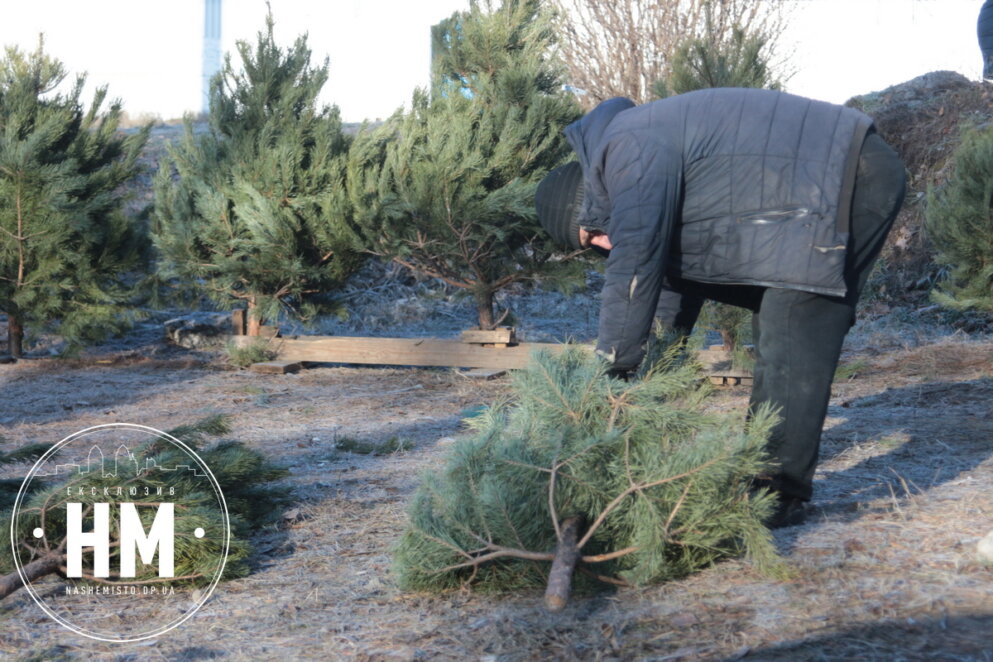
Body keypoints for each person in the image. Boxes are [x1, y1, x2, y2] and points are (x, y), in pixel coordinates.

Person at [535, 88, 906, 528]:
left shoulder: (626, 149)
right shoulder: (630, 146)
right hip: (823, 182)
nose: (604, 245)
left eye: (593, 235)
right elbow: (665, 282)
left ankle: (775, 494)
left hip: (850, 172)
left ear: (585, 203)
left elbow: (632, 267)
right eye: (593, 246)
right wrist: (652, 373)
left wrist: (608, 375)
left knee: (794, 321)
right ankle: (762, 479)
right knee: (781, 319)